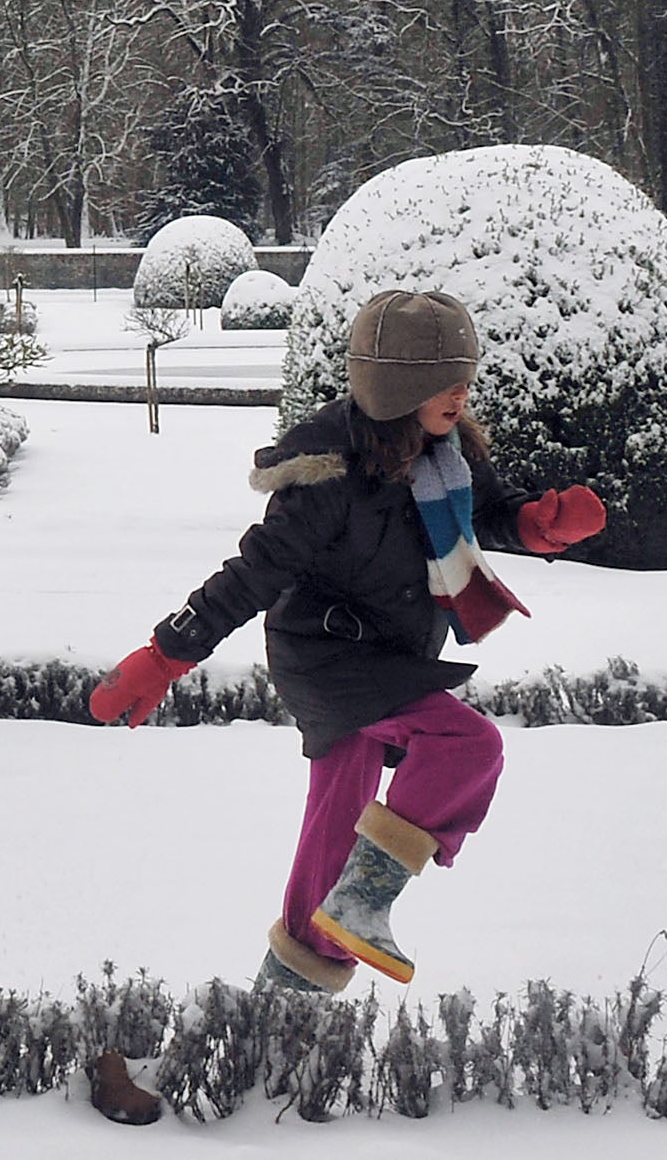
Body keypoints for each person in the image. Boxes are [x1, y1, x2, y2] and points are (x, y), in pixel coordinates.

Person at [77, 289, 605, 1125]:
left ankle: (257, 1044)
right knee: (468, 746)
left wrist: (536, 525)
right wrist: (165, 654)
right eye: (443, 381)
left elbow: (485, 516)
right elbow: (250, 575)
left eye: (464, 378)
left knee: (328, 846)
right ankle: (364, 901)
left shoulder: (445, 453)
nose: (462, 395)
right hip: (327, 657)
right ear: (396, 388)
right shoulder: (326, 479)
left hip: (390, 653)